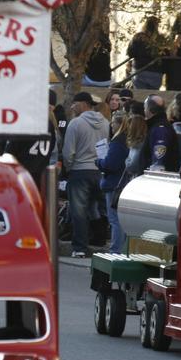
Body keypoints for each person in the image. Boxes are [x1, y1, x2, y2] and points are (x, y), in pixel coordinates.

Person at [62, 92, 109, 258]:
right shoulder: (106, 123)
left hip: (80, 171)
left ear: (82, 104)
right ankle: (100, 240)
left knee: (79, 211)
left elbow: (68, 152)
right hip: (99, 171)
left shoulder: (75, 124)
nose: (72, 107)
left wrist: (69, 167)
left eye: (74, 104)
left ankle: (80, 248)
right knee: (99, 208)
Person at [96, 113, 131, 253]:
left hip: (114, 184)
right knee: (119, 219)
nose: (111, 125)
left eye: (113, 123)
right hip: (121, 182)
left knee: (115, 219)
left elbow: (110, 164)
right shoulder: (126, 140)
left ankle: (115, 250)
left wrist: (98, 162)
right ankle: (120, 249)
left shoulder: (117, 141)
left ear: (119, 124)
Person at [140, 95, 179, 172]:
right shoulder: (156, 126)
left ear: (150, 109)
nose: (144, 111)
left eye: (145, 108)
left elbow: (158, 161)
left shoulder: (160, 129)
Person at [126, 16, 165, 89]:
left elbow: (130, 53)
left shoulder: (138, 37)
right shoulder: (161, 39)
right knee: (153, 94)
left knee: (139, 94)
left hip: (139, 70)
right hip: (155, 72)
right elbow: (165, 54)